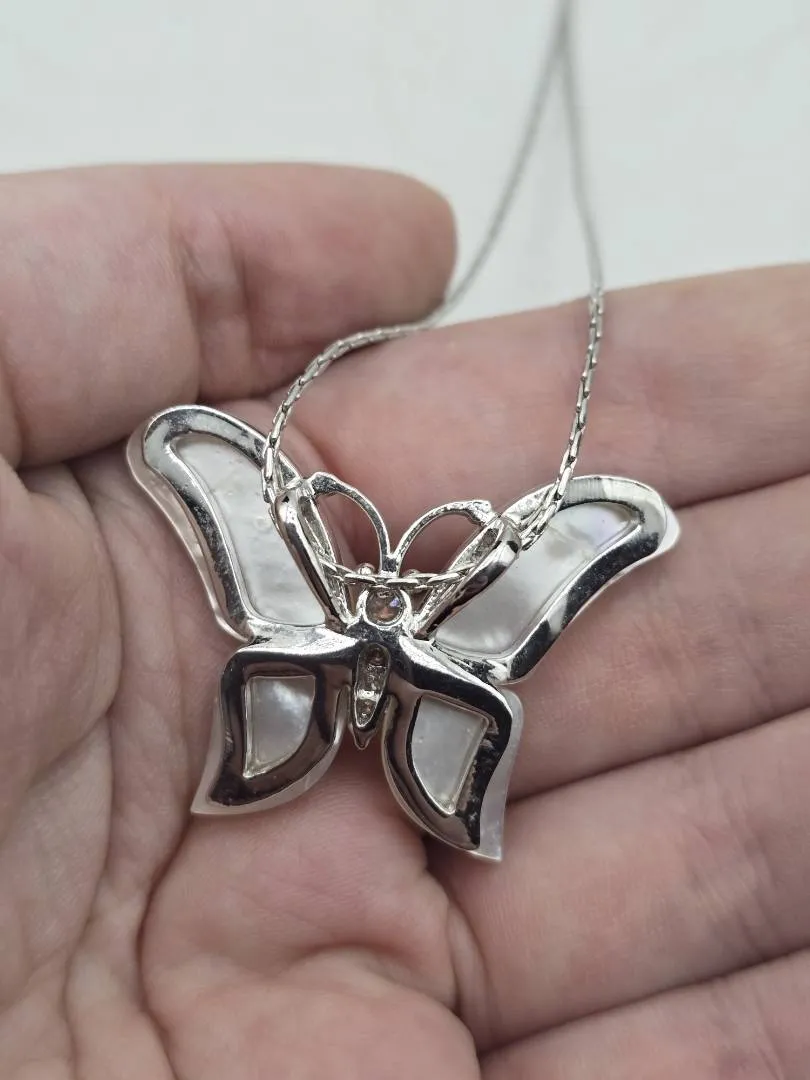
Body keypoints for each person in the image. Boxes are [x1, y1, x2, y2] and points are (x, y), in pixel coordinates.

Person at [1, 163, 807, 1079]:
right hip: (357, 674)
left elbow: (603, 525)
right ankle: (291, 775)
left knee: (454, 701)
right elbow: (179, 448)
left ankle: (414, 795)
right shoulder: (336, 542)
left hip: (356, 670)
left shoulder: (357, 558)